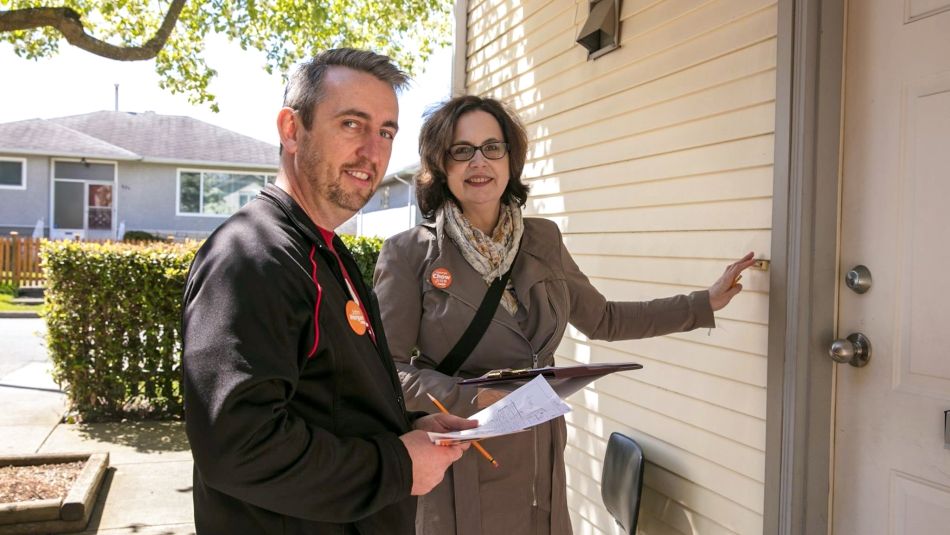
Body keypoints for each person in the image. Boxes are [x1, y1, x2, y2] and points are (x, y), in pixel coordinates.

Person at [372, 95, 756, 535]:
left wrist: (702, 303)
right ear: (442, 165)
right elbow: (387, 371)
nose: (479, 162)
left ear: (511, 158)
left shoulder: (543, 239)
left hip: (541, 460)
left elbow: (604, 319)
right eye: (462, 151)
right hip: (464, 461)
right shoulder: (409, 253)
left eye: (492, 148)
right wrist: (473, 398)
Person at [181, 49, 476, 535]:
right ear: (292, 129)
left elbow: (331, 401)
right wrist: (397, 466)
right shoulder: (252, 258)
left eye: (385, 132)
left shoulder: (324, 252)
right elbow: (237, 449)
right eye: (352, 124)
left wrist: (408, 431)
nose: (373, 151)